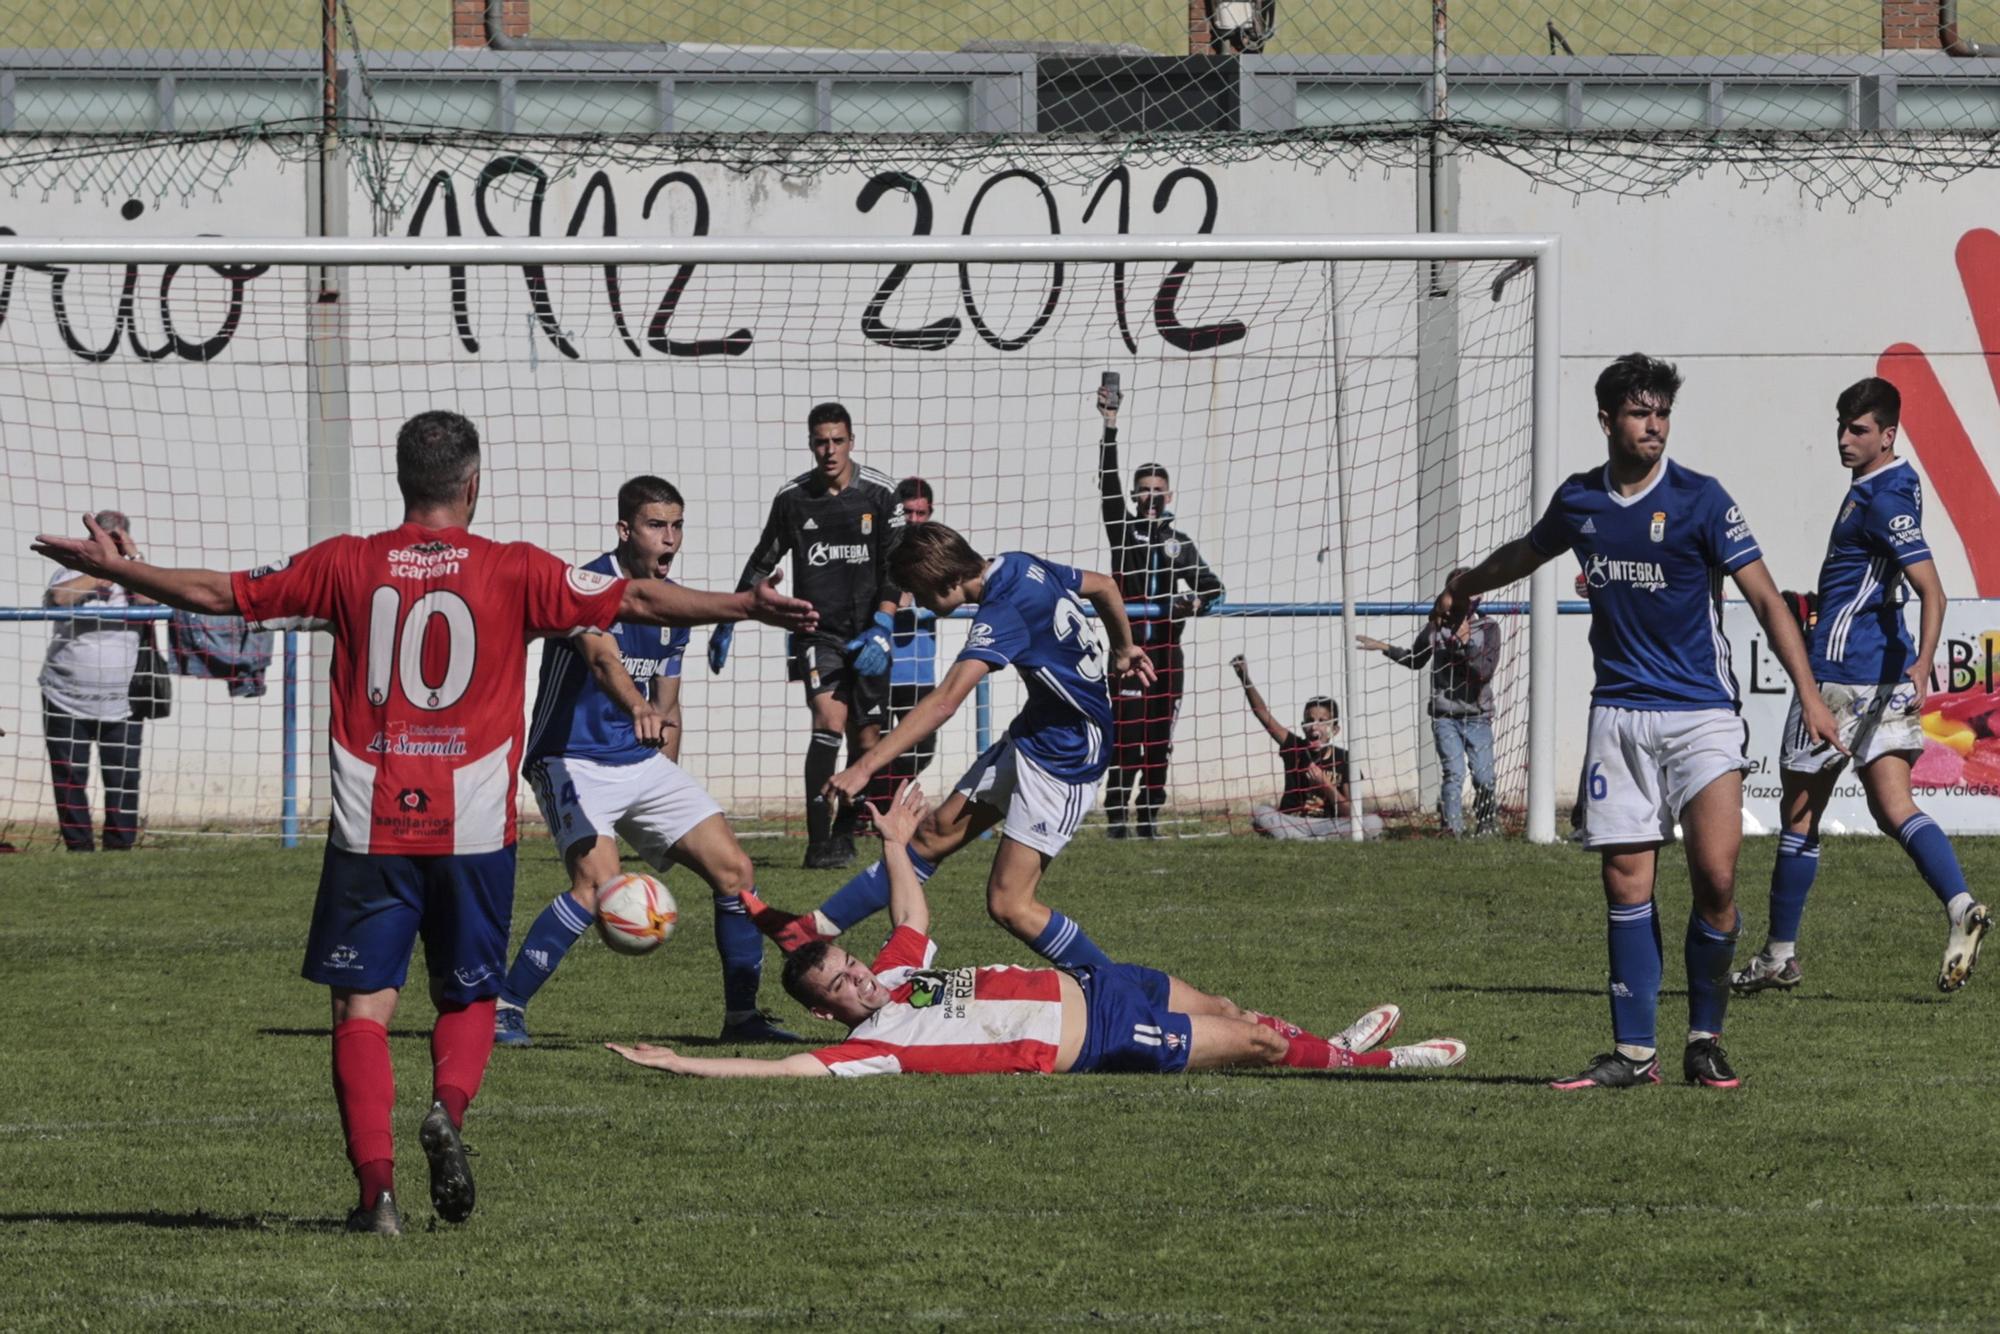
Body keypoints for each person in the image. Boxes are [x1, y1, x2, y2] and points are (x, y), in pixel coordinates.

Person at [31, 410, 817, 1237]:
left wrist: (127, 568)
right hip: (474, 827)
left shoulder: (345, 561)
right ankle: (446, 1110)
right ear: (472, 486)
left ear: (404, 481)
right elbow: (640, 595)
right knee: (468, 997)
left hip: (372, 825)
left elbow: (221, 594)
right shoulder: (516, 568)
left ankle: (375, 1195)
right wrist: (745, 605)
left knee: (362, 1013)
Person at [1430, 354, 1840, 1092]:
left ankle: (1705, 1037)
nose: (1654, 425)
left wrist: (1807, 693)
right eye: (1639, 412)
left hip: (1701, 715)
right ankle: (1635, 1054)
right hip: (1617, 713)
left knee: (1716, 878)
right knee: (1626, 883)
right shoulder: (1582, 500)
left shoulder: (1702, 500)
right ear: (1608, 420)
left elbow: (1768, 600)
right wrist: (1464, 584)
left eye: (1662, 413)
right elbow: (1525, 553)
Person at [608, 782, 1466, 1079]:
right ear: (832, 1013)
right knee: (1260, 1049)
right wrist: (684, 1060)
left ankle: (1336, 1044)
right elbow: (787, 1069)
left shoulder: (899, 977)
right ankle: (1381, 1062)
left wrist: (901, 846)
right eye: (838, 986)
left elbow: (911, 915)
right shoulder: (874, 1045)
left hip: (1099, 986)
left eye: (847, 966)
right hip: (1095, 1039)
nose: (858, 979)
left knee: (1237, 1011)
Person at [744, 521, 1153, 975]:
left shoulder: (1003, 611)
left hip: (1067, 759)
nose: (915, 603)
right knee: (930, 836)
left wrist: (864, 767)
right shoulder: (1019, 564)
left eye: (918, 592)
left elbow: (943, 702)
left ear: (949, 580)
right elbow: (1104, 585)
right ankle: (813, 928)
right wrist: (1123, 647)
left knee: (1009, 904)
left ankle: (1118, 990)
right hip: (1037, 734)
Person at [498, 476, 799, 1050]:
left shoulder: (673, 605)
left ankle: (742, 1016)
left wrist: (668, 782)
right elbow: (603, 661)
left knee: (736, 872)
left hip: (638, 762)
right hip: (570, 760)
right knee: (595, 884)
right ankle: (504, 1007)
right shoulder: (587, 586)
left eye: (677, 526)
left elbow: (669, 703)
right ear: (624, 530)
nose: (670, 538)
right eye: (657, 526)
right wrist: (636, 707)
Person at [1732, 377, 1990, 996]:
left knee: (1799, 814)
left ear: (1889, 435)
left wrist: (1926, 659)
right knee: (1893, 807)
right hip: (1880, 671)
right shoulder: (1887, 487)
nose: (1845, 439)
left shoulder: (1883, 501)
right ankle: (1960, 906)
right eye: (1842, 427)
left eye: (1859, 430)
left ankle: (1779, 955)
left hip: (1842, 679)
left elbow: (1932, 587)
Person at [707, 402, 903, 870]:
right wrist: (729, 618)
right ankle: (818, 842)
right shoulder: (794, 499)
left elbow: (896, 566)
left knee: (868, 740)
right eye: (821, 441)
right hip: (819, 632)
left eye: (837, 441)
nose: (829, 450)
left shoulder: (881, 494)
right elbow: (762, 559)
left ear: (851, 441)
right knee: (827, 721)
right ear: (811, 443)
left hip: (871, 633)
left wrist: (885, 624)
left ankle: (845, 831)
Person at [1095, 380, 1225, 839]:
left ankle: (1149, 819)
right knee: (1126, 742)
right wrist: (1109, 426)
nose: (1150, 496)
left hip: (1168, 657)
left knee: (1157, 747)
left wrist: (1194, 602)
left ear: (1169, 497)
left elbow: (1216, 591)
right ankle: (1116, 819)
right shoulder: (1123, 532)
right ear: (1134, 497)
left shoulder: (1180, 544)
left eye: (1158, 490)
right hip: (1129, 656)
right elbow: (1106, 486)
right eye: (1143, 490)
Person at [1356, 577, 1503, 836]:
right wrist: (1384, 647)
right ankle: (1451, 829)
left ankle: (1487, 823)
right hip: (1445, 715)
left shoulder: (1488, 629)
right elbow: (1416, 659)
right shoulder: (1436, 627)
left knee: (1484, 778)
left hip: (1477, 715)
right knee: (1453, 773)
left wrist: (1466, 643)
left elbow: (1484, 672)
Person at [40, 509, 150, 852]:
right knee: (70, 776)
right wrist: (96, 575)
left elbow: (157, 598)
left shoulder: (137, 574)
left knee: (123, 779)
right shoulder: (70, 570)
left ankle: (119, 847)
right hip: (64, 694)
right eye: (101, 538)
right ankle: (79, 848)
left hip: (122, 699)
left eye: (114, 538)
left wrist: (129, 558)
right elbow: (58, 598)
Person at [1230, 655, 1381, 841]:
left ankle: (1303, 840)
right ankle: (1306, 840)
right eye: (1309, 721)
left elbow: (1350, 812)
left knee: (1372, 823)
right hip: (1294, 821)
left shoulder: (1345, 758)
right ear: (1303, 726)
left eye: (1322, 721)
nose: (1314, 727)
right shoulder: (1295, 747)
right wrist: (1245, 679)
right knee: (1261, 813)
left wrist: (1325, 785)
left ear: (1334, 730)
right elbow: (1263, 714)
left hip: (1329, 824)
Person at [884, 477, 940, 785]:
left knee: (923, 747)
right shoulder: (884, 549)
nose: (915, 521)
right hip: (881, 665)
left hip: (919, 671)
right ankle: (868, 807)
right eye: (908, 513)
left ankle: (882, 797)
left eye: (922, 513)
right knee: (873, 744)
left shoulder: (937, 552)